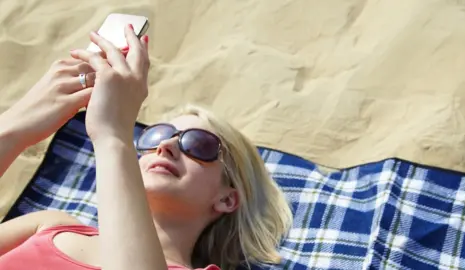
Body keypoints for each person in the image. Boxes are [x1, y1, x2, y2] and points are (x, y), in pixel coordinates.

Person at [0, 24, 293, 270]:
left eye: (198, 144)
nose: (165, 145)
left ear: (227, 199)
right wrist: (13, 130)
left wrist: (113, 137)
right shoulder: (52, 224)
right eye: (155, 135)